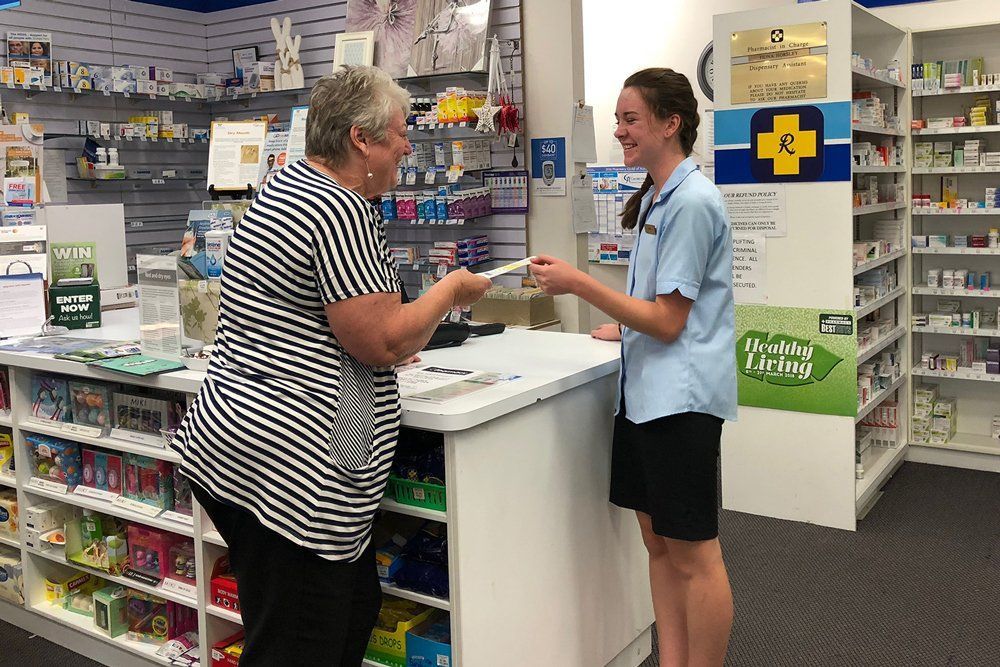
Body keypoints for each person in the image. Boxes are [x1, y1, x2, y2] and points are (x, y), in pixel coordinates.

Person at [170, 65, 491, 666]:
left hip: (240, 451)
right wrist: (446, 292)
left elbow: (314, 318)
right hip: (290, 476)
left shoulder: (287, 187)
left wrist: (389, 334)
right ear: (360, 140)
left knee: (342, 614)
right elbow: (380, 343)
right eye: (397, 133)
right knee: (302, 642)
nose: (405, 145)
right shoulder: (337, 208)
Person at [529, 68, 737, 667]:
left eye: (630, 119)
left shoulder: (693, 201)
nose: (619, 131)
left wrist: (579, 285)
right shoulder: (655, 194)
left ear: (671, 124)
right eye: (617, 120)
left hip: (682, 401)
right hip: (644, 396)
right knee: (657, 544)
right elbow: (663, 299)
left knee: (695, 554)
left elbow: (671, 321)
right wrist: (623, 324)